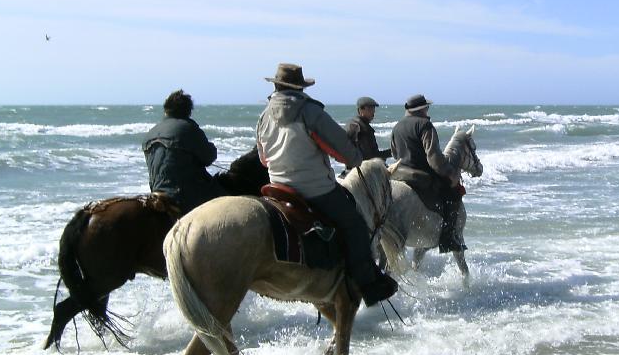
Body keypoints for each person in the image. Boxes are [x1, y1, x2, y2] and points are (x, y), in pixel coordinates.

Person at [255, 63, 398, 307]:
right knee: (355, 225)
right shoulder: (310, 112)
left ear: (276, 86)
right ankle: (369, 286)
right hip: (314, 190)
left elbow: (263, 159)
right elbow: (344, 152)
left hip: (276, 188)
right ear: (300, 87)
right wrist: (355, 158)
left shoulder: (264, 115)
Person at [390, 94, 464, 253]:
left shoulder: (397, 126)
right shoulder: (425, 125)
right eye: (426, 107)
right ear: (421, 109)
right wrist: (450, 173)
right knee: (453, 194)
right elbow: (434, 159)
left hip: (397, 175)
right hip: (420, 177)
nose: (427, 110)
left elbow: (395, 154)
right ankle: (450, 237)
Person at [142, 89, 224, 214]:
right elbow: (209, 157)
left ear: (166, 109)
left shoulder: (150, 134)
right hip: (184, 196)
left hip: (156, 193)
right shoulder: (189, 128)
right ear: (189, 111)